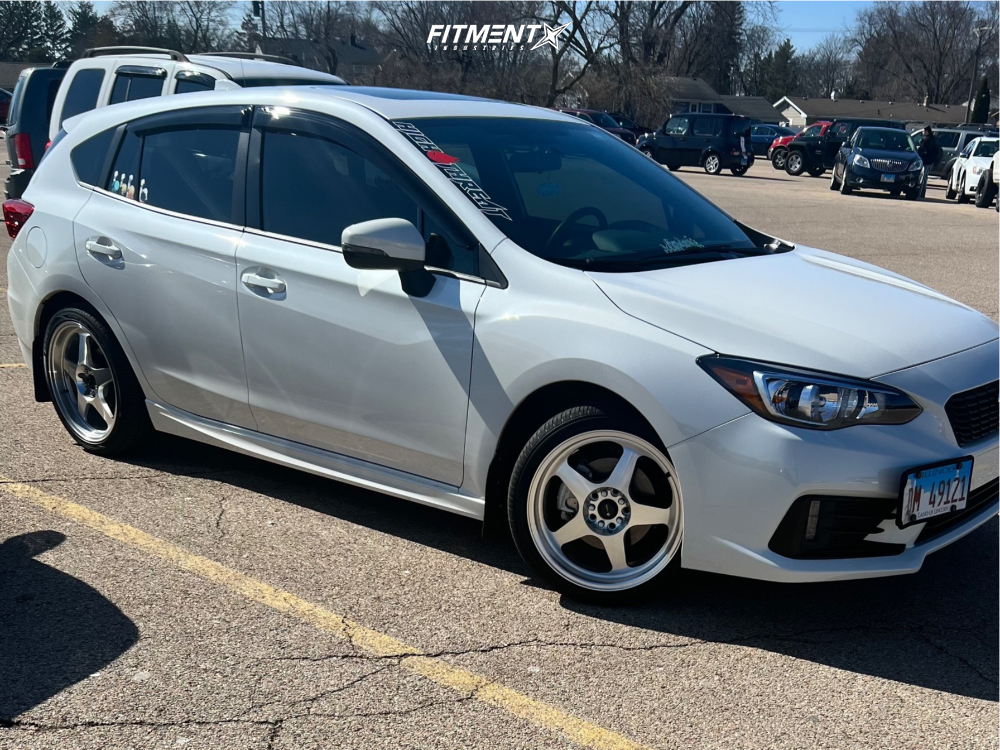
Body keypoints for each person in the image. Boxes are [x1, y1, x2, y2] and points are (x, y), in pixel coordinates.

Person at [916, 126, 941, 198]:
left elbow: (922, 150)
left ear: (927, 132)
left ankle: (920, 193)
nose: (922, 132)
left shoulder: (926, 140)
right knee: (925, 177)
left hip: (926, 161)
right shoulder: (934, 139)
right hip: (931, 161)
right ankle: (922, 193)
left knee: (923, 178)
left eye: (923, 131)